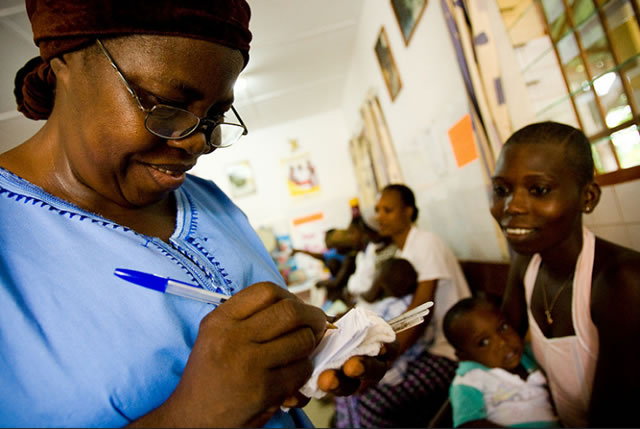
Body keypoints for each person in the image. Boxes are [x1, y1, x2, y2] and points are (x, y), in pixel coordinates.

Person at [0, 2, 396, 427]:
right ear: (64, 64)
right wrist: (192, 415)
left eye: (215, 117)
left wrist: (315, 348)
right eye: (167, 106)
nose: (197, 144)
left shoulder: (211, 202)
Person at [492, 121, 640, 427]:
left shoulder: (622, 281)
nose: (512, 206)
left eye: (539, 190)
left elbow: (614, 418)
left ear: (587, 197)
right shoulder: (527, 263)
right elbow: (499, 346)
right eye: (501, 190)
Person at [335, 183, 472, 427]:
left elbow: (419, 314)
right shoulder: (401, 253)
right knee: (348, 390)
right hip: (422, 347)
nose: (379, 217)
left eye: (388, 210)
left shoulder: (425, 243)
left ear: (408, 211)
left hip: (448, 352)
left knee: (368, 400)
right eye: (378, 210)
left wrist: (385, 360)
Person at [443, 297, 559, 428]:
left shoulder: (530, 356)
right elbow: (468, 424)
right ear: (465, 356)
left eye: (503, 327)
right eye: (484, 342)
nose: (502, 342)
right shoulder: (469, 380)